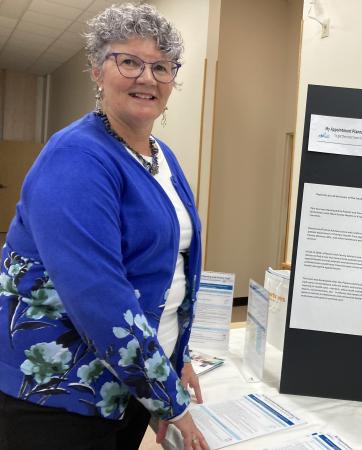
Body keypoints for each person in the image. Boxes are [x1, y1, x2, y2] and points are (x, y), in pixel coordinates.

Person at [0, 3, 209, 449]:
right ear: (97, 70)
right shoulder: (75, 158)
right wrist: (170, 400)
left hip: (129, 384)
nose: (147, 78)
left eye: (161, 66)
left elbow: (163, 267)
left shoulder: (161, 156)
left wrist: (177, 355)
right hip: (61, 398)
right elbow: (101, 298)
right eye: (129, 61)